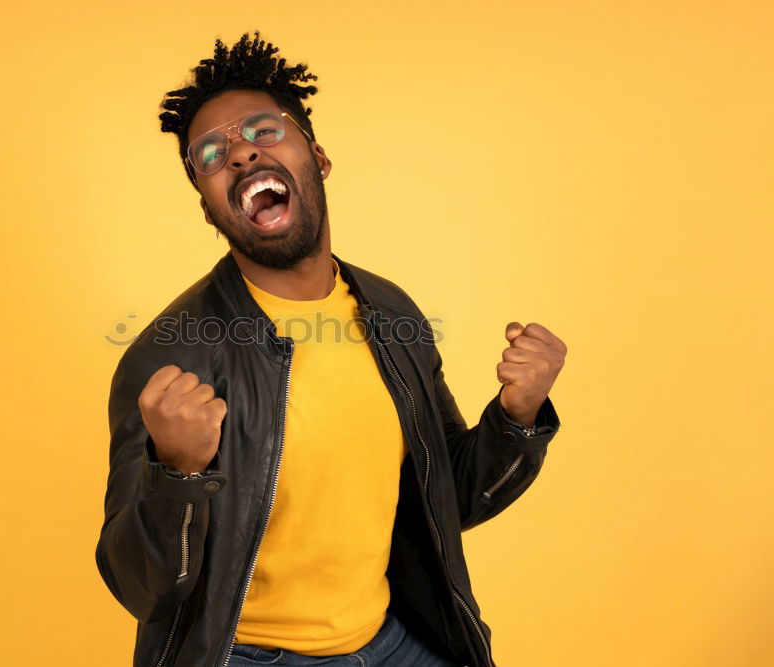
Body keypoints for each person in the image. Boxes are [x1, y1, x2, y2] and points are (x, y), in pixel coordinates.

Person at [95, 30, 566, 667]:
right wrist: (177, 472)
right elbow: (140, 587)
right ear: (207, 207)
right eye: (210, 154)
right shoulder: (169, 357)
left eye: (264, 131)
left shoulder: (390, 313)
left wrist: (517, 418)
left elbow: (447, 498)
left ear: (317, 157)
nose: (238, 154)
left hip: (391, 640)